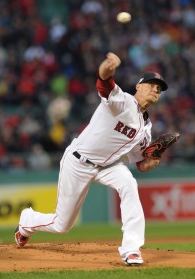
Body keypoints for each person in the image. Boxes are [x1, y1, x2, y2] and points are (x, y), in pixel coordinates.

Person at [14, 52, 168, 266]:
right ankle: (26, 221)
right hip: (79, 161)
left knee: (129, 184)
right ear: (138, 86)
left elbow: (140, 163)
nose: (155, 89)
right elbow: (104, 83)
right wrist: (107, 66)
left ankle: (131, 249)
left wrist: (149, 163)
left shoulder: (146, 128)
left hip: (109, 165)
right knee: (62, 225)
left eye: (159, 89)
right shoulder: (122, 101)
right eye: (151, 84)